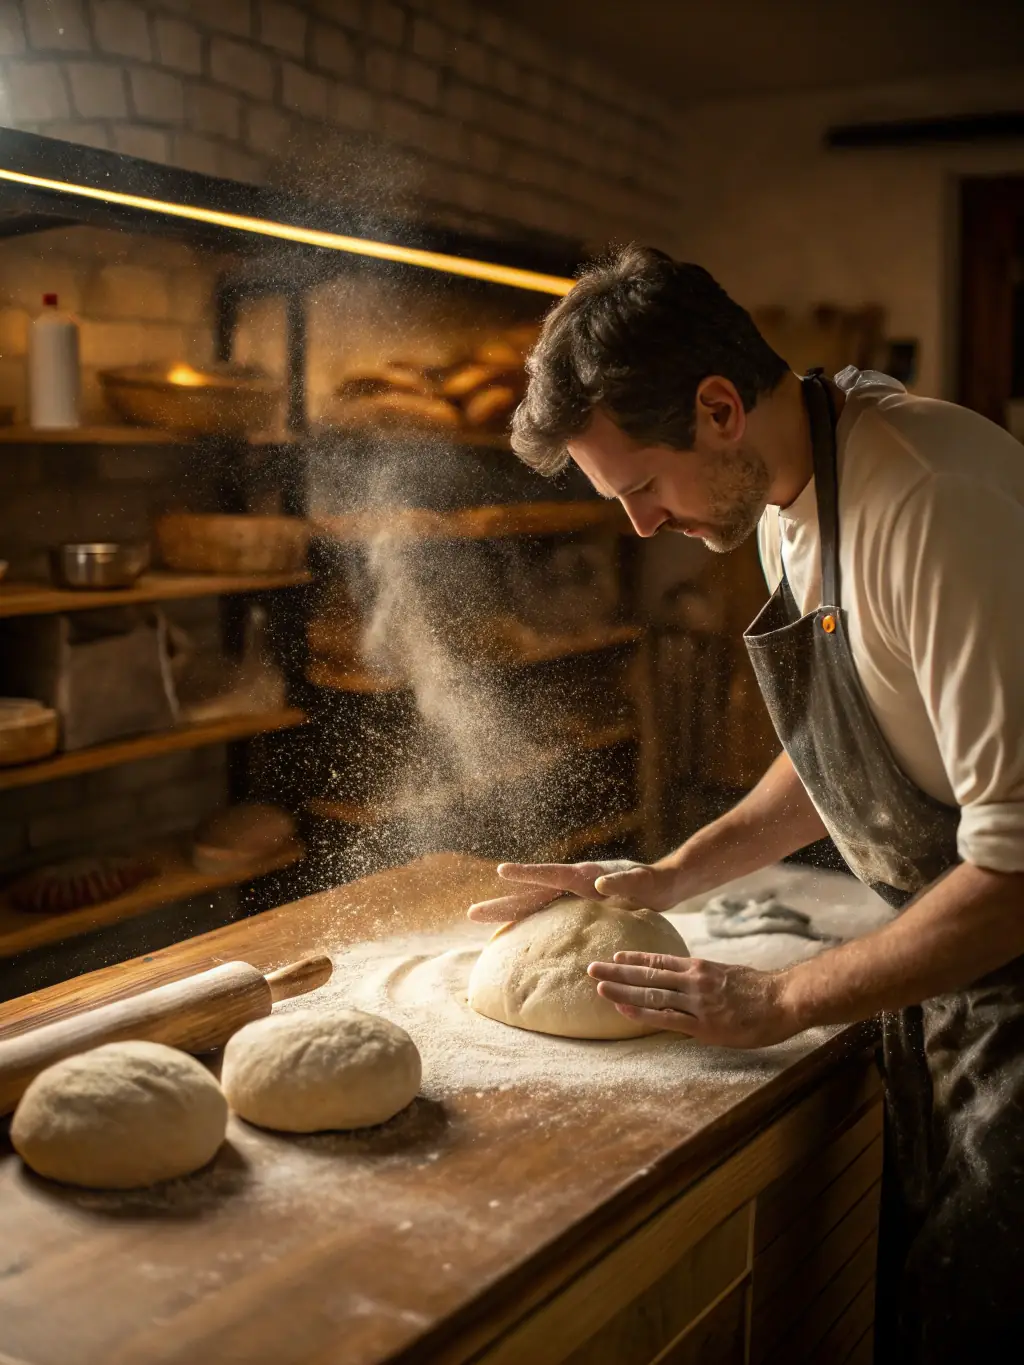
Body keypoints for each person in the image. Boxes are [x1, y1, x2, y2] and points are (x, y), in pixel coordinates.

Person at [467, 246, 1024, 1363]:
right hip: (957, 976)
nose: (639, 527)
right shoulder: (782, 498)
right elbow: (844, 746)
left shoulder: (928, 499)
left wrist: (781, 1002)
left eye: (642, 488)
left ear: (718, 407)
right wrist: (668, 876)